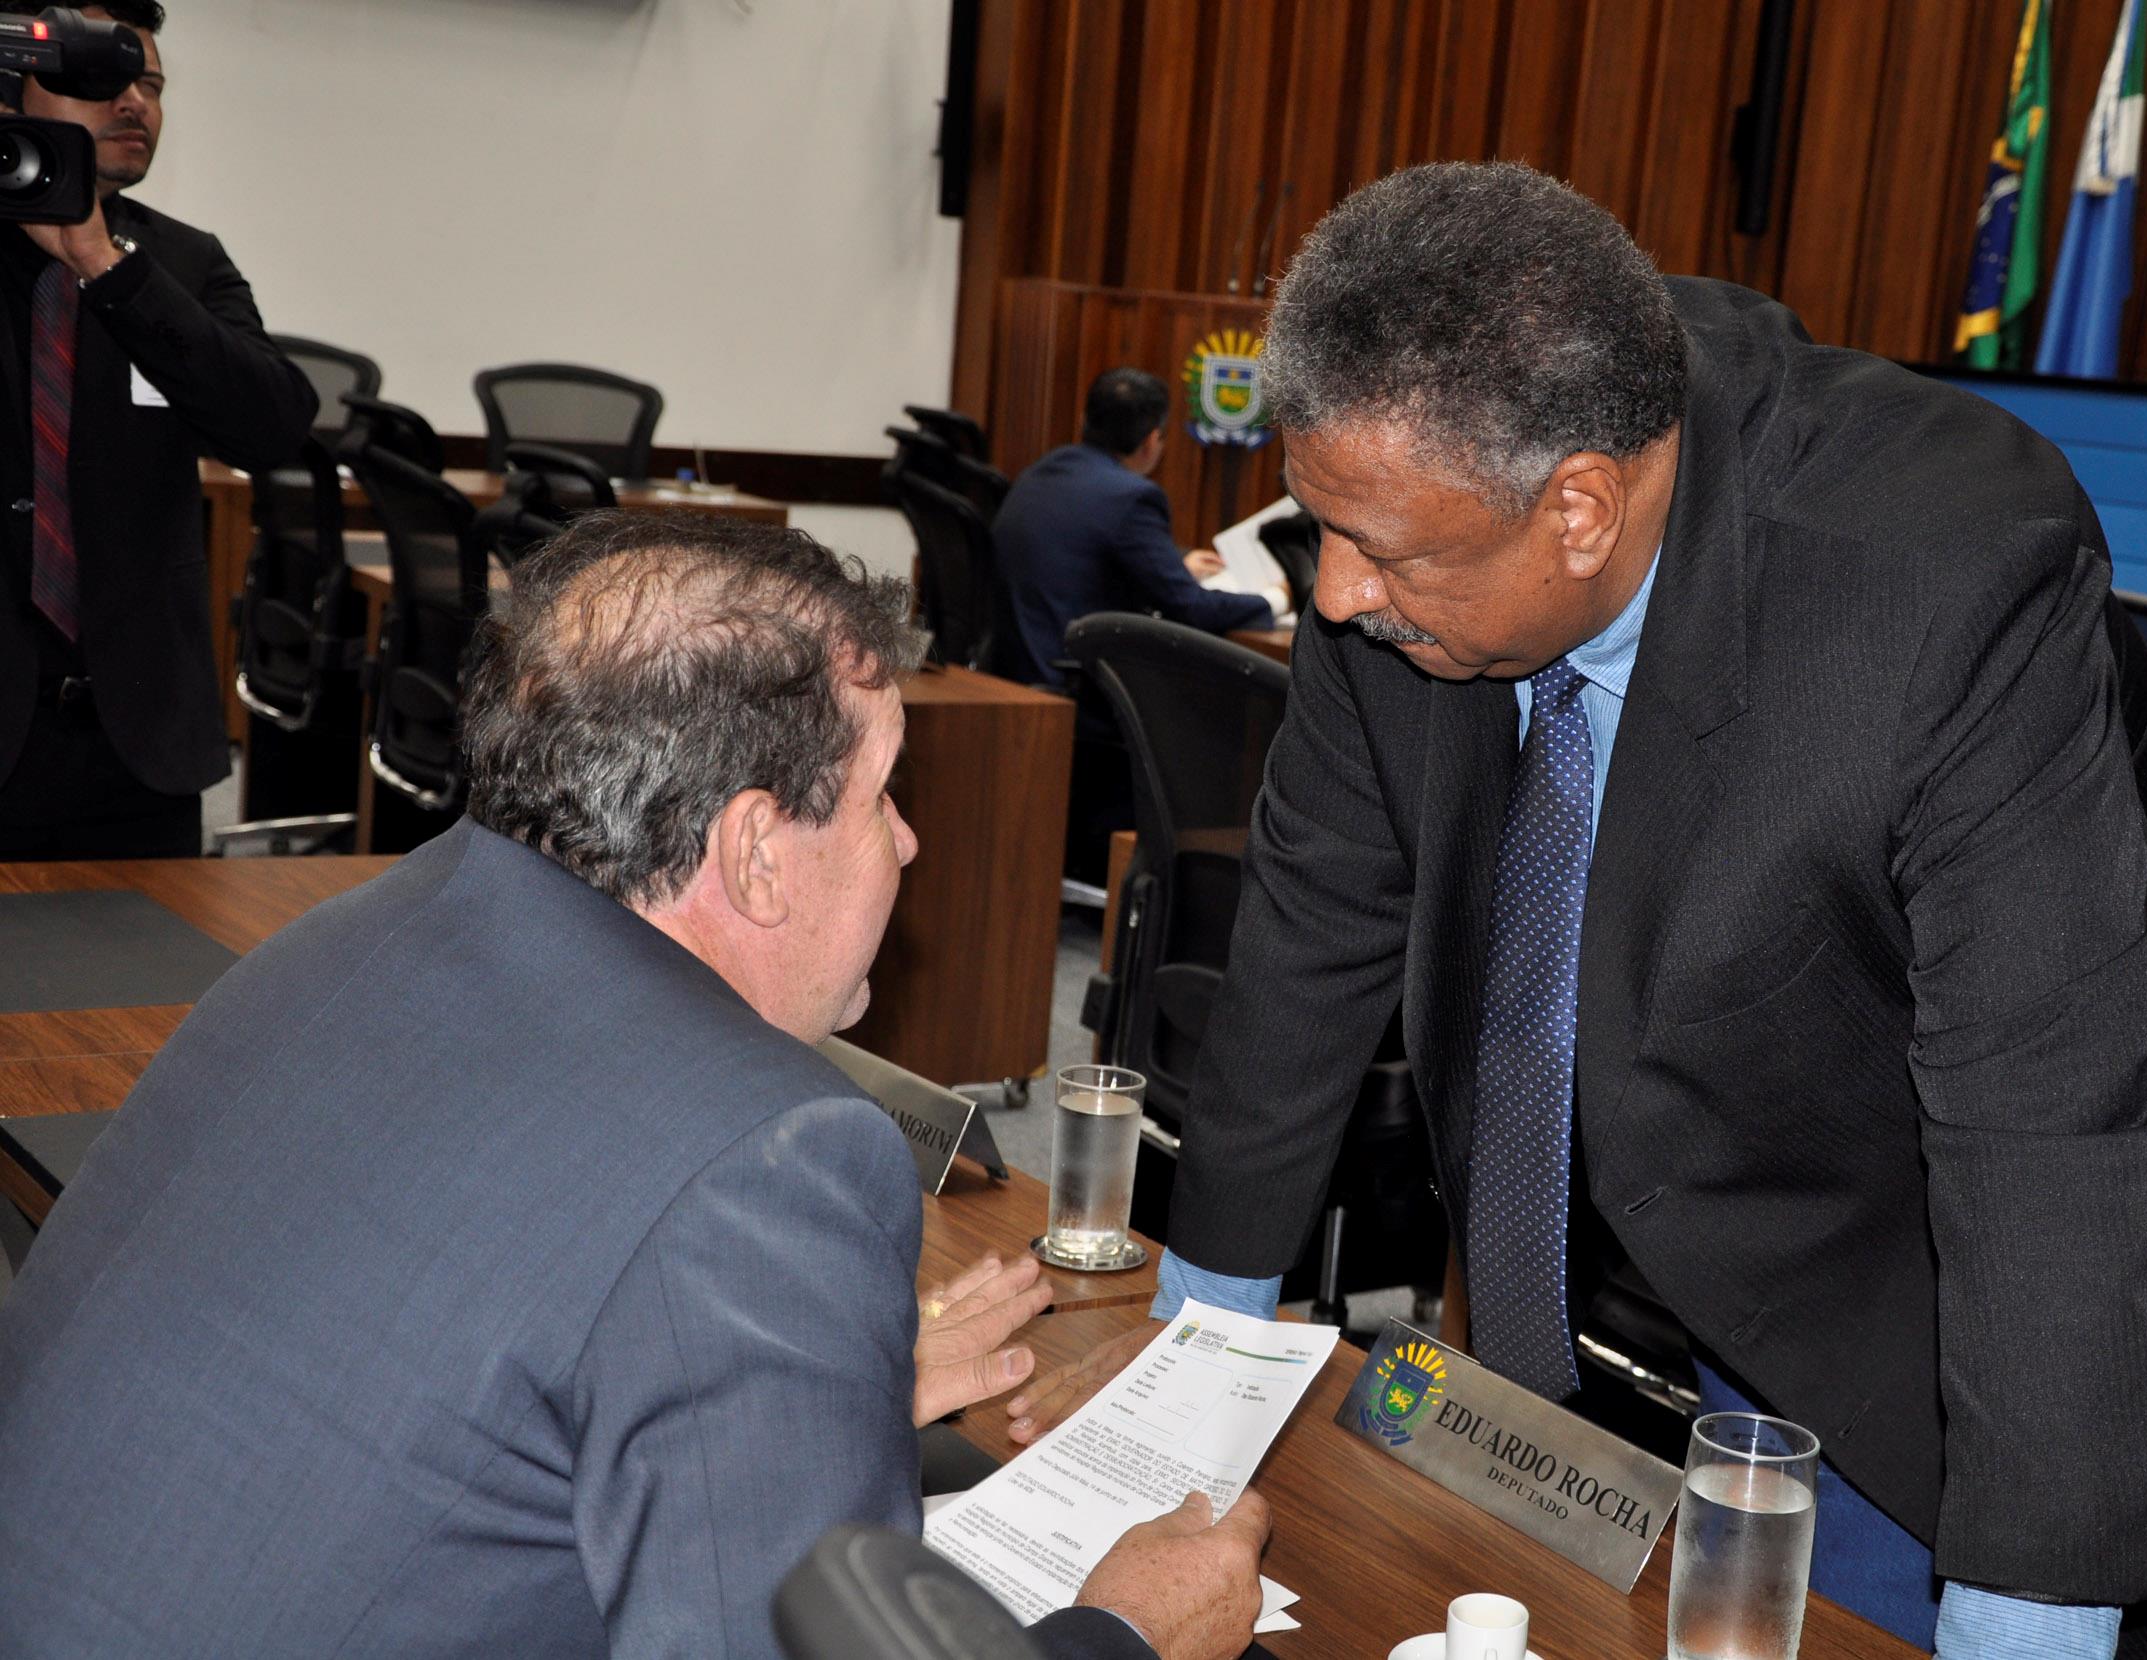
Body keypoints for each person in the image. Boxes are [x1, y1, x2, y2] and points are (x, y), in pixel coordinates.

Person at [1003, 163, 2147, 1660]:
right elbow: (1311, 923)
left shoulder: (1938, 582)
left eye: (1383, 554)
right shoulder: (1422, 502)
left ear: (1580, 511)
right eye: (1324, 533)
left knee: (1887, 1591)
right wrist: (1196, 1364)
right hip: (1748, 1130)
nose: (1335, 596)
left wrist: (2024, 1621)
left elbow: (2049, 1121)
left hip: (2046, 1188)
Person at [0, 512, 1269, 1660]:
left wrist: (812, 1399)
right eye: (885, 793)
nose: (909, 840)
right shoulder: (771, 1161)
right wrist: (1126, 1633)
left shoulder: (349, 939)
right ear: (755, 851)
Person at [0, 1, 316, 858]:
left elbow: (274, 427)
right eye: (99, 79)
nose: (133, 101)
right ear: (9, 92)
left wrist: (104, 267)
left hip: (138, 745)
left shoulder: (181, 263)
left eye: (151, 84)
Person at [993, 366, 1283, 692]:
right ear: (1152, 440)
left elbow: (1080, 551)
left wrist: (1174, 563)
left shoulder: (1040, 471)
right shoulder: (1132, 497)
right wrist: (1275, 598)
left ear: (1084, 420)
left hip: (1012, 674)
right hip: (1077, 690)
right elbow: (1192, 609)